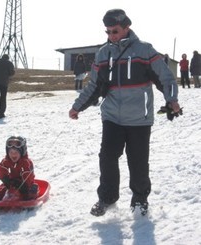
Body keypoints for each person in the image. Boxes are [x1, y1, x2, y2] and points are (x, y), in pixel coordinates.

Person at [69, 9, 181, 216]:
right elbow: (94, 84)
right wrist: (77, 106)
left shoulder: (145, 50)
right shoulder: (103, 54)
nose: (111, 35)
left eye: (115, 31)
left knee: (137, 160)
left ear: (127, 27)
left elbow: (166, 77)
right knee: (107, 157)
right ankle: (107, 198)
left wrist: (172, 99)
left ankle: (139, 200)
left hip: (139, 118)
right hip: (111, 116)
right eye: (108, 32)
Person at [0, 136, 39, 201]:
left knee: (32, 188)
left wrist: (23, 184)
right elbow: (1, 168)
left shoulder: (26, 162)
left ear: (22, 152)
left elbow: (28, 175)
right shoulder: (7, 160)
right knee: (4, 188)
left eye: (15, 153)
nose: (13, 155)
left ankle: (30, 196)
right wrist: (5, 179)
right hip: (12, 182)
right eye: (11, 153)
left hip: (25, 184)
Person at [0, 54, 15, 118]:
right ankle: (1, 113)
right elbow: (12, 73)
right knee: (3, 97)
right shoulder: (9, 63)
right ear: (7, 58)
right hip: (4, 83)